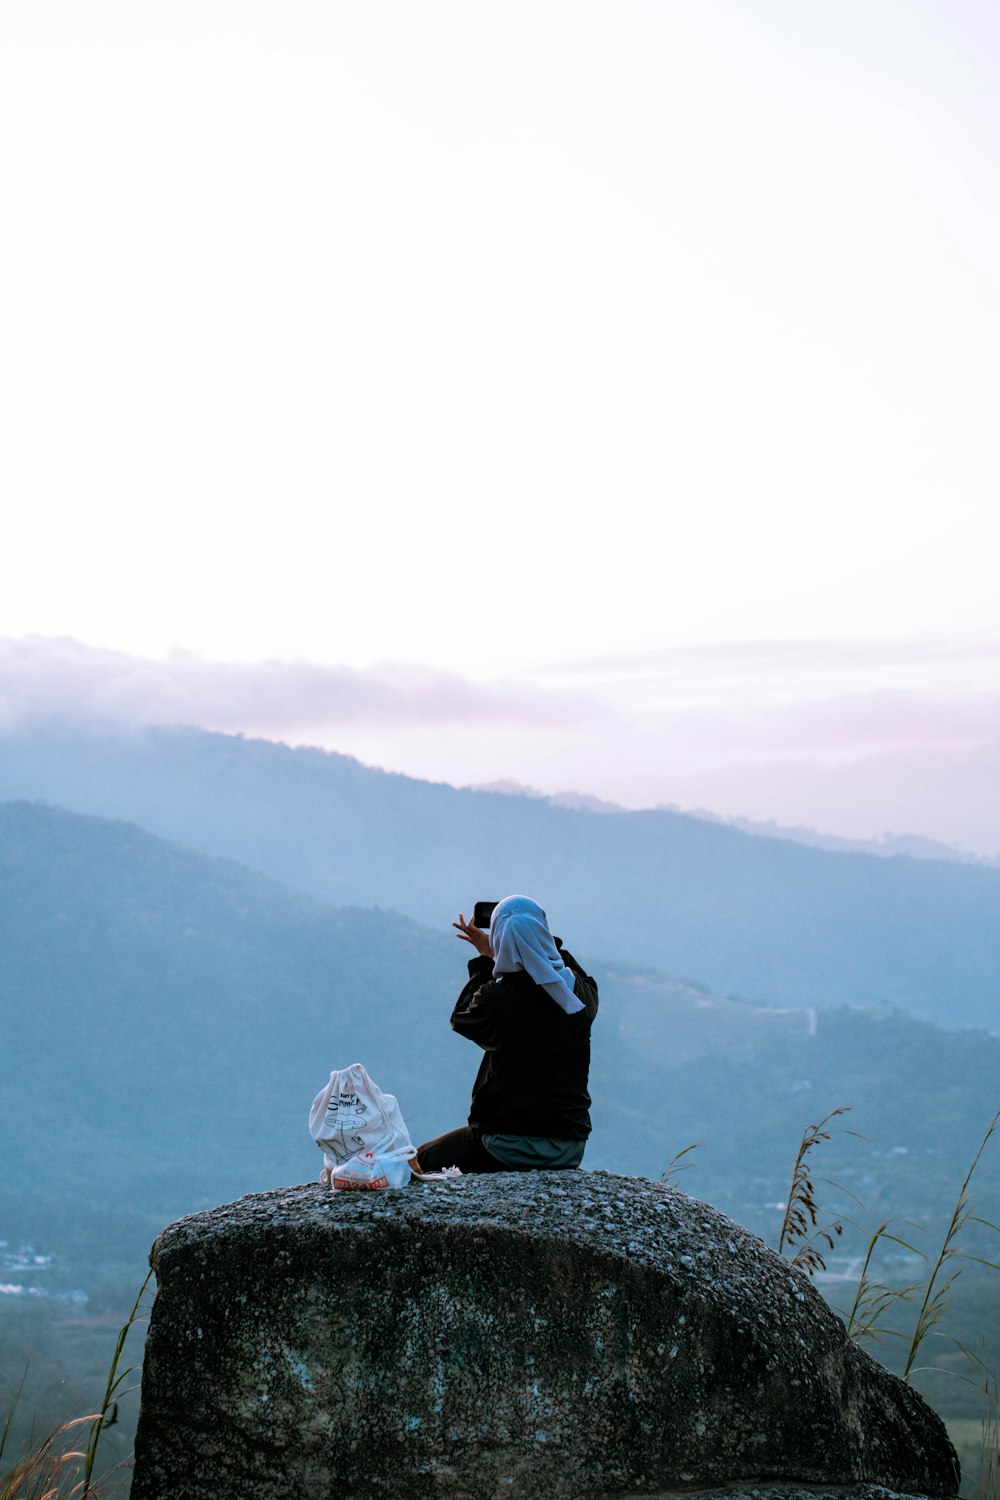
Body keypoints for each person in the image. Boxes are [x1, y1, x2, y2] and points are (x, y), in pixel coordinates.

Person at [412, 894, 599, 1175]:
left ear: (500, 939)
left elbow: (463, 1017)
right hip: (570, 1147)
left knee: (417, 1160)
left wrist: (487, 959)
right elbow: (558, 961)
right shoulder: (580, 993)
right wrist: (533, 935)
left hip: (505, 1145)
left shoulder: (498, 999)